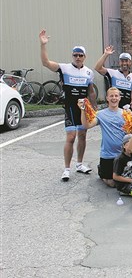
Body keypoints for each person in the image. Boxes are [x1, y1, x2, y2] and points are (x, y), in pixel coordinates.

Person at [39, 29, 96, 181]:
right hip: (70, 107)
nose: (78, 57)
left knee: (83, 136)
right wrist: (43, 45)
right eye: (75, 55)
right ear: (72, 56)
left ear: (85, 57)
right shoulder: (64, 68)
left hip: (83, 109)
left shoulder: (89, 72)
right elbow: (45, 63)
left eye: (80, 55)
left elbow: (91, 91)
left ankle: (80, 164)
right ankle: (66, 169)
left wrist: (94, 107)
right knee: (71, 137)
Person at [78, 87, 125, 187]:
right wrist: (83, 110)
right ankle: (102, 170)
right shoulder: (101, 114)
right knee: (112, 183)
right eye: (111, 96)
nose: (114, 98)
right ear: (107, 98)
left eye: (116, 96)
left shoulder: (126, 113)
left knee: (122, 180)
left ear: (120, 98)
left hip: (122, 154)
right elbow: (87, 125)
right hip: (107, 154)